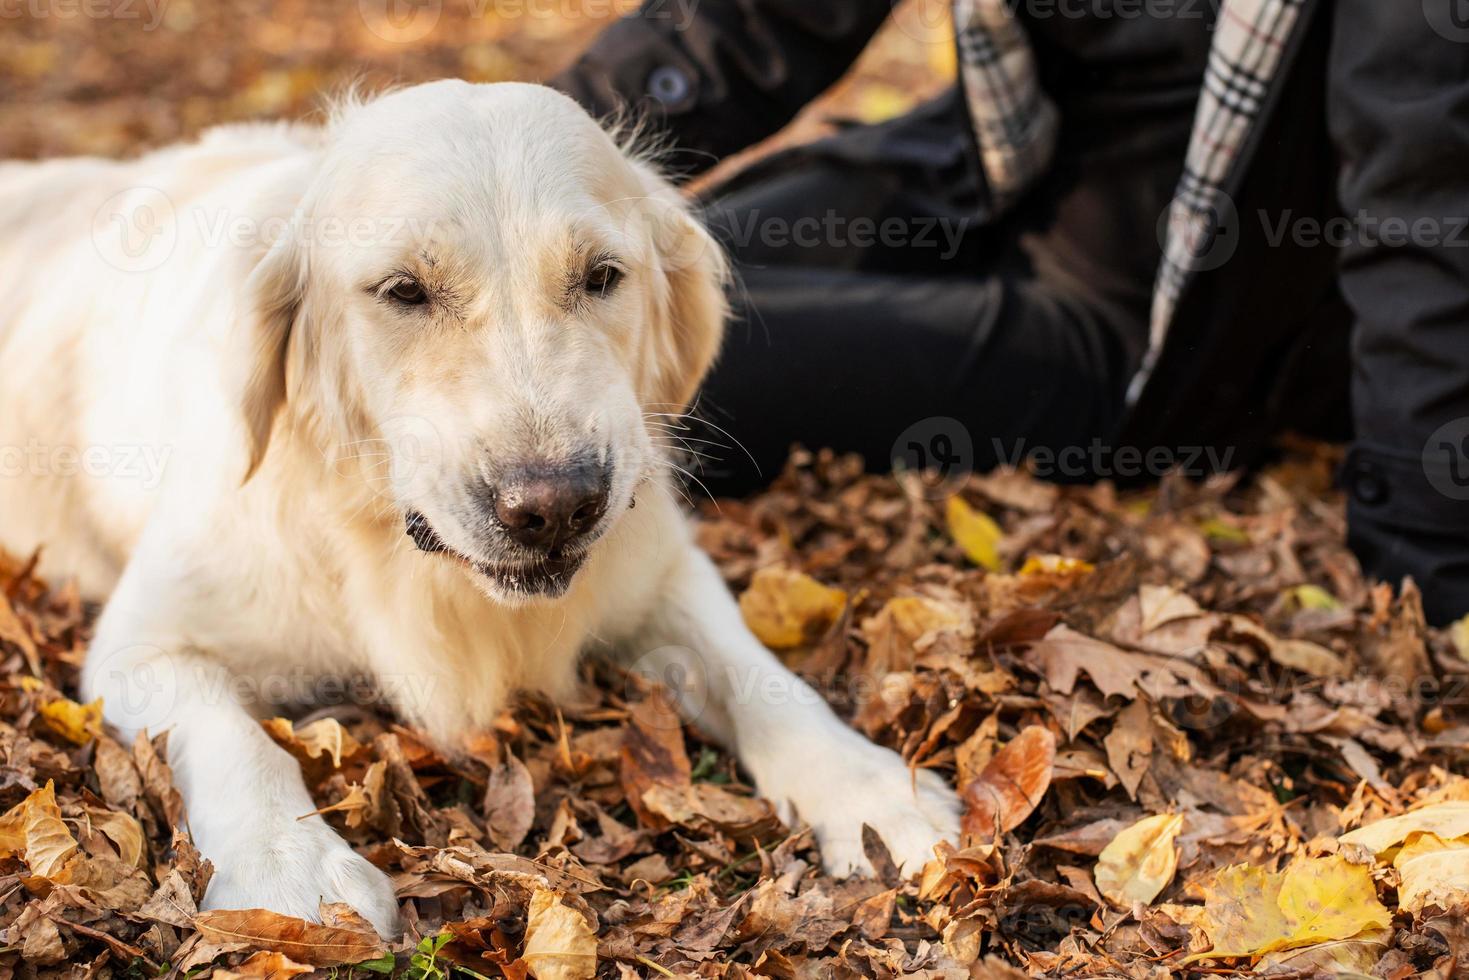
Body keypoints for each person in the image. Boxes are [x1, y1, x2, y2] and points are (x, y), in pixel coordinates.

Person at [551, 0, 1469, 626]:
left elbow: (1425, 198)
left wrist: (1425, 551)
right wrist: (500, 150)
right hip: (985, 176)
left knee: (674, 355)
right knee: (660, 271)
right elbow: (752, 21)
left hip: (1162, 314)